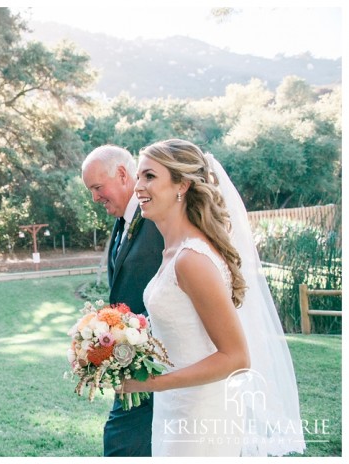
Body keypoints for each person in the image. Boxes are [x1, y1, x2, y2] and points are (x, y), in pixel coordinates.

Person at [124, 138, 305, 456]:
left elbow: (236, 358)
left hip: (199, 415)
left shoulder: (191, 259)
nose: (138, 186)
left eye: (150, 176)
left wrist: (151, 383)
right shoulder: (172, 252)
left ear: (182, 185)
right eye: (138, 176)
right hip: (176, 406)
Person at [81, 145, 163, 456]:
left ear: (122, 174)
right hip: (130, 360)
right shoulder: (123, 222)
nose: (95, 198)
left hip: (155, 361)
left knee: (120, 443)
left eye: (97, 188)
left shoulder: (157, 221)